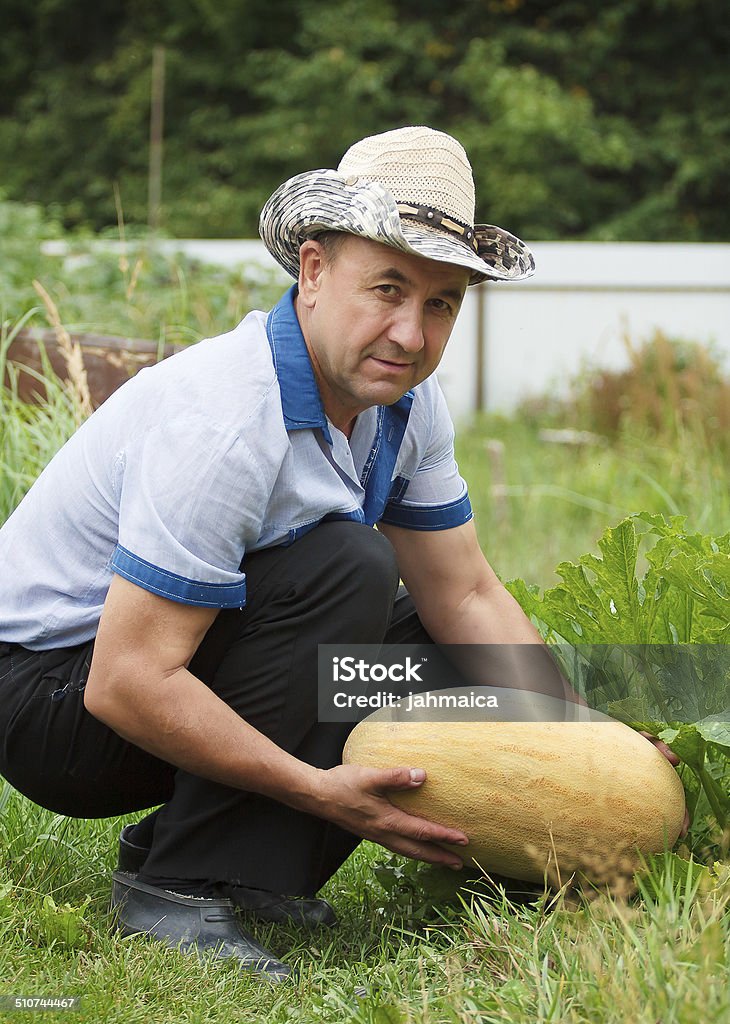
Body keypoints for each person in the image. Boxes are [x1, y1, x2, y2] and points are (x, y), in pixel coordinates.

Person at [0, 126, 680, 983]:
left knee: (445, 658)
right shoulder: (224, 420)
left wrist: (589, 737)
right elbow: (125, 679)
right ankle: (175, 885)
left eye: (440, 303)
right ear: (313, 271)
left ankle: (243, 864)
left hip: (174, 666)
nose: (409, 332)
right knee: (348, 567)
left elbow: (464, 595)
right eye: (387, 288)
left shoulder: (406, 404)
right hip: (55, 698)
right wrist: (314, 788)